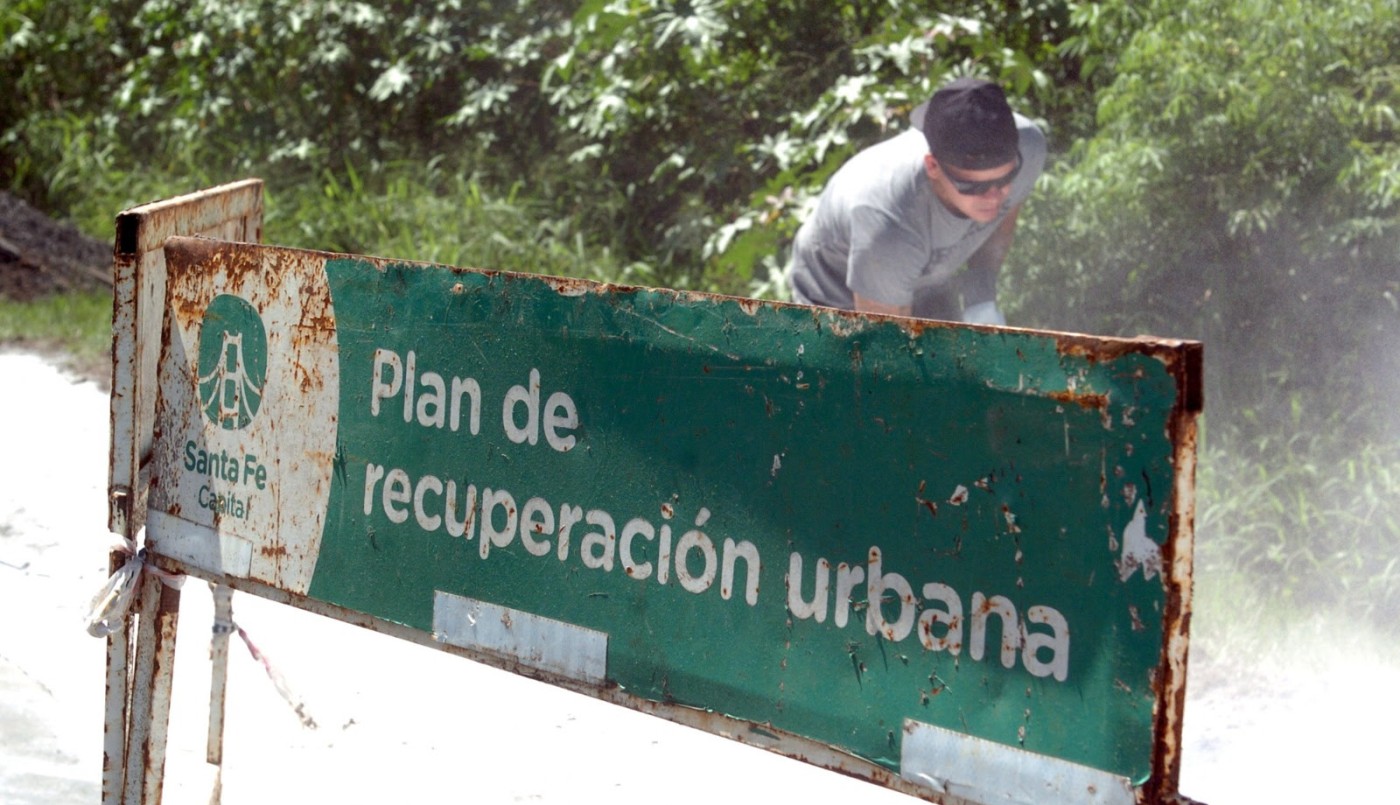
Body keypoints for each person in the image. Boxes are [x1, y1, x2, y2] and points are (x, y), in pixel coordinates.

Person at [785, 77, 1045, 325]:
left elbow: (1000, 225)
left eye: (1004, 179)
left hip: (925, 279)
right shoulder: (888, 220)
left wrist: (981, 298)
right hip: (838, 297)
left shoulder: (1029, 149)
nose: (993, 196)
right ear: (933, 166)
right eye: (973, 185)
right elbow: (885, 346)